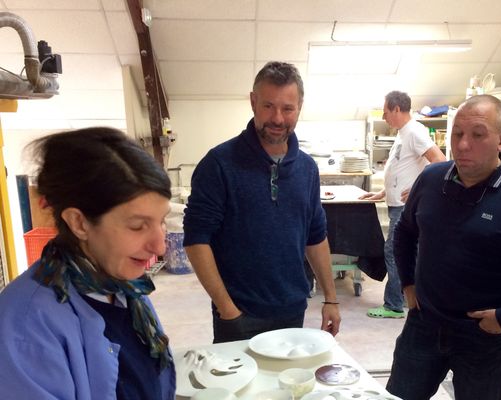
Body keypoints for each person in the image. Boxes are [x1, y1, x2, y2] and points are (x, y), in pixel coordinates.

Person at [386, 94, 501, 400]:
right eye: (458, 134)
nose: (462, 145)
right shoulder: (431, 179)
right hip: (425, 324)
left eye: (477, 135)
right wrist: (408, 284)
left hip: (485, 336)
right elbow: (404, 232)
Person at [0, 127, 176, 400]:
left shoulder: (122, 287)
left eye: (161, 220)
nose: (160, 246)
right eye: (138, 226)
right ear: (79, 222)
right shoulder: (26, 327)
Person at [183, 61, 341, 343]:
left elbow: (315, 236)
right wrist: (227, 309)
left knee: (287, 385)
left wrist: (331, 298)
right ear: (253, 102)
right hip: (238, 313)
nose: (278, 118)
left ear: (300, 107)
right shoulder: (219, 164)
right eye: (269, 106)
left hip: (293, 310)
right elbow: (196, 240)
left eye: (287, 108)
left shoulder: (307, 169)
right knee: (240, 387)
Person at [359, 91, 446, 319]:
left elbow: (440, 161)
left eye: (387, 112)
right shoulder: (402, 133)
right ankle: (410, 299)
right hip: (397, 203)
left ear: (397, 109)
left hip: (406, 207)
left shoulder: (415, 132)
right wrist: (382, 192)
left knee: (394, 250)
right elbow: (402, 168)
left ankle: (393, 305)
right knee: (406, 252)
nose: (385, 117)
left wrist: (420, 188)